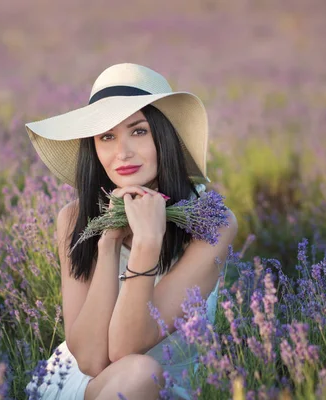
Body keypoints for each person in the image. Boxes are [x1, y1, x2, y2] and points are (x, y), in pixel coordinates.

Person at [24, 63, 238, 400]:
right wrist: (108, 242)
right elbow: (92, 360)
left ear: (164, 136)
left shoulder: (211, 222)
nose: (122, 153)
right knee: (138, 374)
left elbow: (126, 347)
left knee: (141, 373)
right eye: (107, 136)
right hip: (83, 384)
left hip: (169, 386)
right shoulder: (74, 218)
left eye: (138, 131)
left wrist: (147, 243)